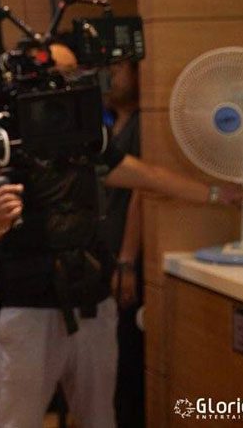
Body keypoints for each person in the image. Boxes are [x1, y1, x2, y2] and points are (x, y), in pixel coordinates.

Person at [0, 44, 243, 428]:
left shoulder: (87, 143)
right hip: (29, 309)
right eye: (55, 78)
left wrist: (215, 193)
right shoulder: (2, 148)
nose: (64, 87)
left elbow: (147, 177)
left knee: (100, 418)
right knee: (17, 422)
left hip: (93, 305)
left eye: (72, 76)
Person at [100, 57, 145, 428]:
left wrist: (127, 260)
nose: (109, 77)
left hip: (126, 261)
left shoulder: (143, 124)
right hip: (107, 255)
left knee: (129, 360)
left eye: (117, 70)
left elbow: (140, 195)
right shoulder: (110, 124)